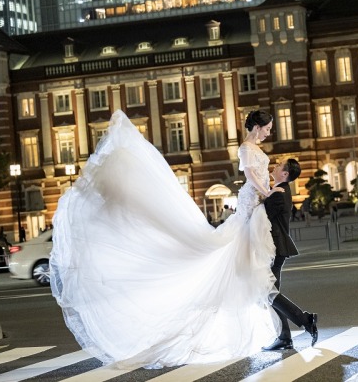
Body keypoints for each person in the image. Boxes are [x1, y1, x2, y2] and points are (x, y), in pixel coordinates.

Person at [50, 109, 287, 368]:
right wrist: (267, 191)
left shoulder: (255, 149)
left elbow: (257, 177)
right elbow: (251, 176)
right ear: (258, 126)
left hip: (253, 209)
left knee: (238, 265)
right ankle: (263, 318)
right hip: (248, 208)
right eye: (267, 128)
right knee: (228, 261)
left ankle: (270, 316)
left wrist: (267, 191)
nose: (269, 132)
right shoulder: (245, 148)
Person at [262, 158, 318, 351]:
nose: (275, 166)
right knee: (270, 292)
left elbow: (261, 214)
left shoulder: (279, 193)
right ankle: (285, 336)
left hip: (274, 248)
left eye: (279, 166)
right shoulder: (279, 191)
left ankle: (305, 320)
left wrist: (261, 195)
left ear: (284, 174)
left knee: (267, 292)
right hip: (275, 248)